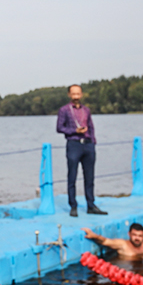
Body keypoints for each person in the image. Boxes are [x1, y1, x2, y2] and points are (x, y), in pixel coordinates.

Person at [56, 84, 107, 217]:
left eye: (78, 94)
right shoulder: (64, 110)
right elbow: (59, 128)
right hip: (74, 144)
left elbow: (91, 126)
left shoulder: (86, 110)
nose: (76, 96)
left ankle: (91, 205)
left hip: (88, 145)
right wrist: (74, 131)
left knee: (89, 177)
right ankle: (73, 205)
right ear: (69, 95)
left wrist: (93, 142)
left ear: (82, 94)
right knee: (72, 176)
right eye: (73, 94)